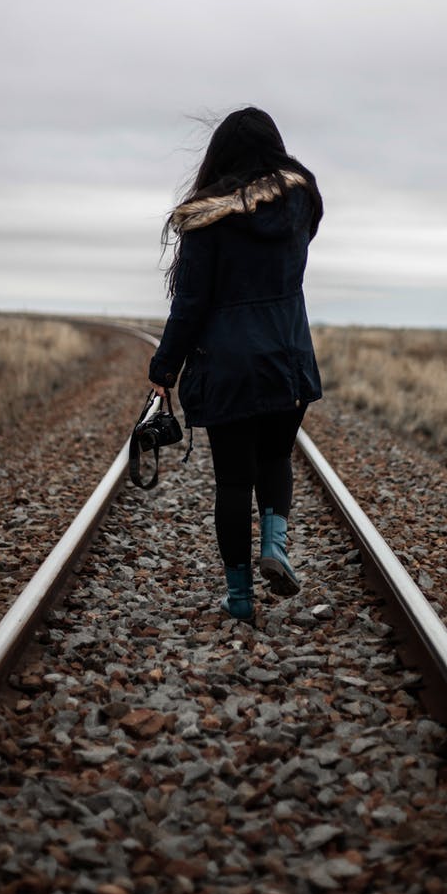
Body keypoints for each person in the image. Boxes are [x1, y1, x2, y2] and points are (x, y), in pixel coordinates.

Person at [149, 107, 323, 621]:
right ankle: (276, 547)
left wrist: (164, 370)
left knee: (231, 481)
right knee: (276, 459)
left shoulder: (206, 221)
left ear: (220, 155)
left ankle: (241, 597)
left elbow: (190, 306)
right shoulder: (301, 205)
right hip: (287, 359)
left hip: (226, 368)